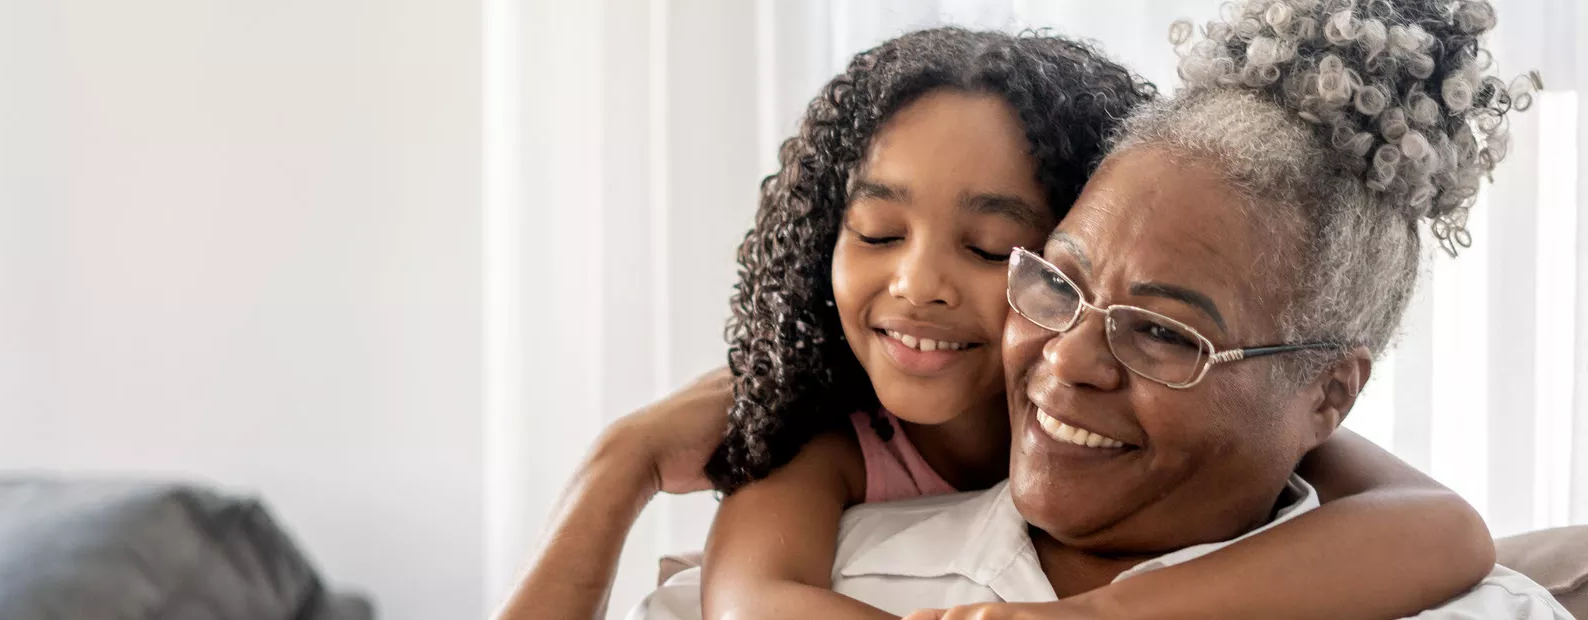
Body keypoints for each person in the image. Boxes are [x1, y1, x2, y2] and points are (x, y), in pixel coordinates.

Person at [623, 0, 1560, 617]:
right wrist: (614, 470)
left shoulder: (1483, 607)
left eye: (1161, 331)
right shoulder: (839, 554)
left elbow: (1442, 527)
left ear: (1327, 395)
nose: (1067, 361)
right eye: (1058, 285)